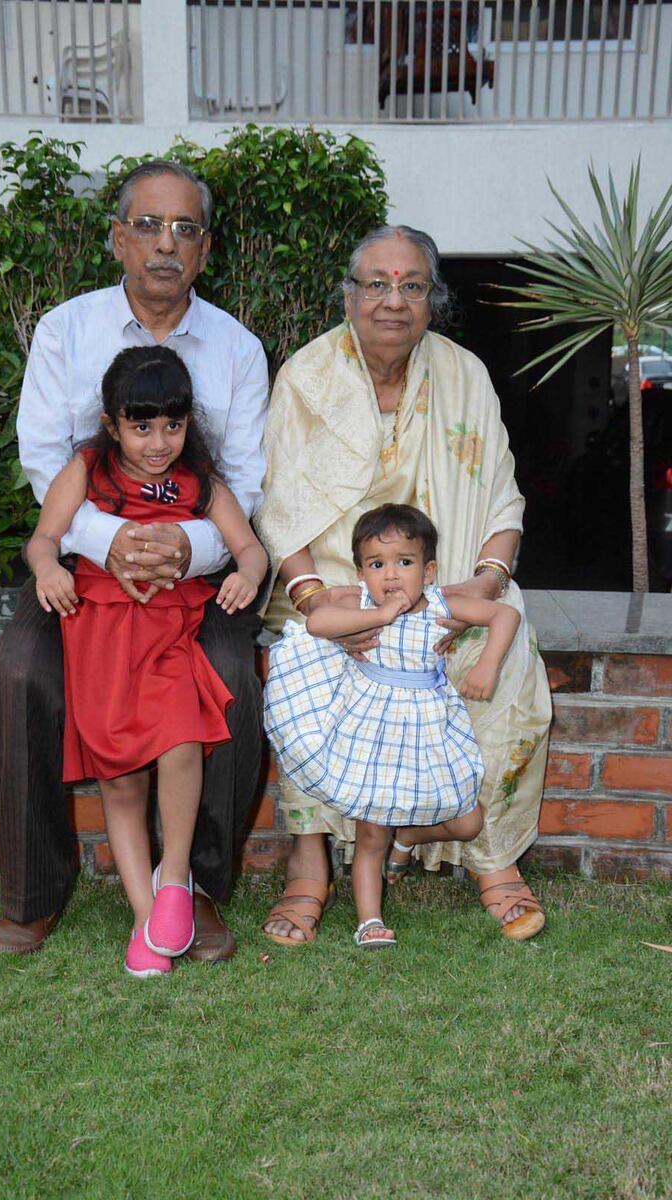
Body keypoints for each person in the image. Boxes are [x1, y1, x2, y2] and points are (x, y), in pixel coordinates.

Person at [0, 161, 269, 958]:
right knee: (21, 676)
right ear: (117, 238)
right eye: (147, 225)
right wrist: (108, 541)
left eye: (184, 229)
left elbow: (241, 478)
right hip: (82, 568)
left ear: (206, 248)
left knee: (232, 680)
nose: (165, 244)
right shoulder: (65, 331)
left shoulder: (238, 349)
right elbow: (45, 459)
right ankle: (33, 894)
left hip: (193, 576)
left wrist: (193, 546)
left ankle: (198, 889)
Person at [256, 224, 551, 946]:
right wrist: (316, 600)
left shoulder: (463, 375)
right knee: (303, 659)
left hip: (445, 586)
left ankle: (493, 859)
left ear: (432, 300)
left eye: (411, 285)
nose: (393, 300)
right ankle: (309, 864)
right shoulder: (308, 375)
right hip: (334, 589)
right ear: (350, 296)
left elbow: (503, 502)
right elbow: (279, 505)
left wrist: (474, 589)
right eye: (376, 284)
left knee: (505, 639)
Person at [26, 347, 267, 976]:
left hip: (169, 629)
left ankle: (176, 877)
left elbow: (250, 547)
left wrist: (246, 573)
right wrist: (49, 568)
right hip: (101, 629)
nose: (159, 442)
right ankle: (144, 916)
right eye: (141, 427)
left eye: (173, 425)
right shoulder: (88, 469)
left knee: (183, 738)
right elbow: (44, 537)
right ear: (111, 423)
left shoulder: (200, 481)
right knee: (120, 775)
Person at [264, 504, 520, 948]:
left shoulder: (442, 605)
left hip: (429, 733)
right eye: (377, 564)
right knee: (370, 833)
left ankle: (411, 836)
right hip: (371, 732)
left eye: (405, 562)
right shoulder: (359, 601)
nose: (392, 575)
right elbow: (317, 621)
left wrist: (488, 666)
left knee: (468, 821)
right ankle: (370, 920)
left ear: (429, 570)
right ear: (361, 572)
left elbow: (505, 616)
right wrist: (379, 616)